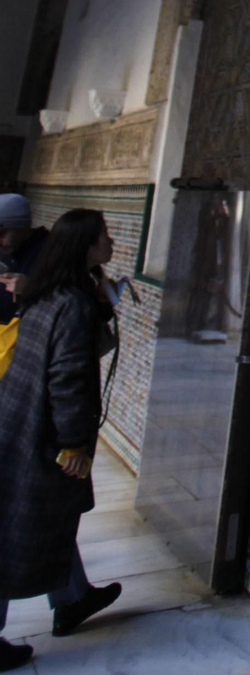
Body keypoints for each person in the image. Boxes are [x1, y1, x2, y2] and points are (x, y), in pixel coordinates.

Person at [0, 208, 123, 670]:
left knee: (48, 516)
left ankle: (73, 598)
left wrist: (104, 301)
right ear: (86, 246)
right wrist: (74, 443)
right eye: (104, 237)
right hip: (39, 431)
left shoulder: (48, 290)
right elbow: (68, 376)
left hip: (18, 419)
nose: (110, 243)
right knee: (15, 529)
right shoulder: (69, 301)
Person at [0, 192, 49, 327]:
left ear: (24, 226)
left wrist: (31, 288)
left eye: (2, 234)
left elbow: (67, 298)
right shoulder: (5, 251)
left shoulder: (50, 252)